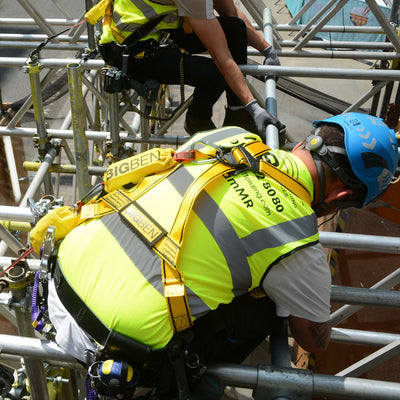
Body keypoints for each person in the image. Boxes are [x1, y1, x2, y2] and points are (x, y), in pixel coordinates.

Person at [33, 112, 398, 399]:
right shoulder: (296, 237)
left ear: (307, 141)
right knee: (270, 306)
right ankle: (198, 389)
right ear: (338, 199)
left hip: (55, 278)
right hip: (113, 347)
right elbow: (314, 340)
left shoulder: (229, 138)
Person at [87, 0, 285, 139]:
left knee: (234, 28)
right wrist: (254, 106)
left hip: (155, 32)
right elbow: (221, 55)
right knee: (215, 75)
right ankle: (197, 120)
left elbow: (231, 14)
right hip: (132, 54)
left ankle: (237, 114)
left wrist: (267, 50)